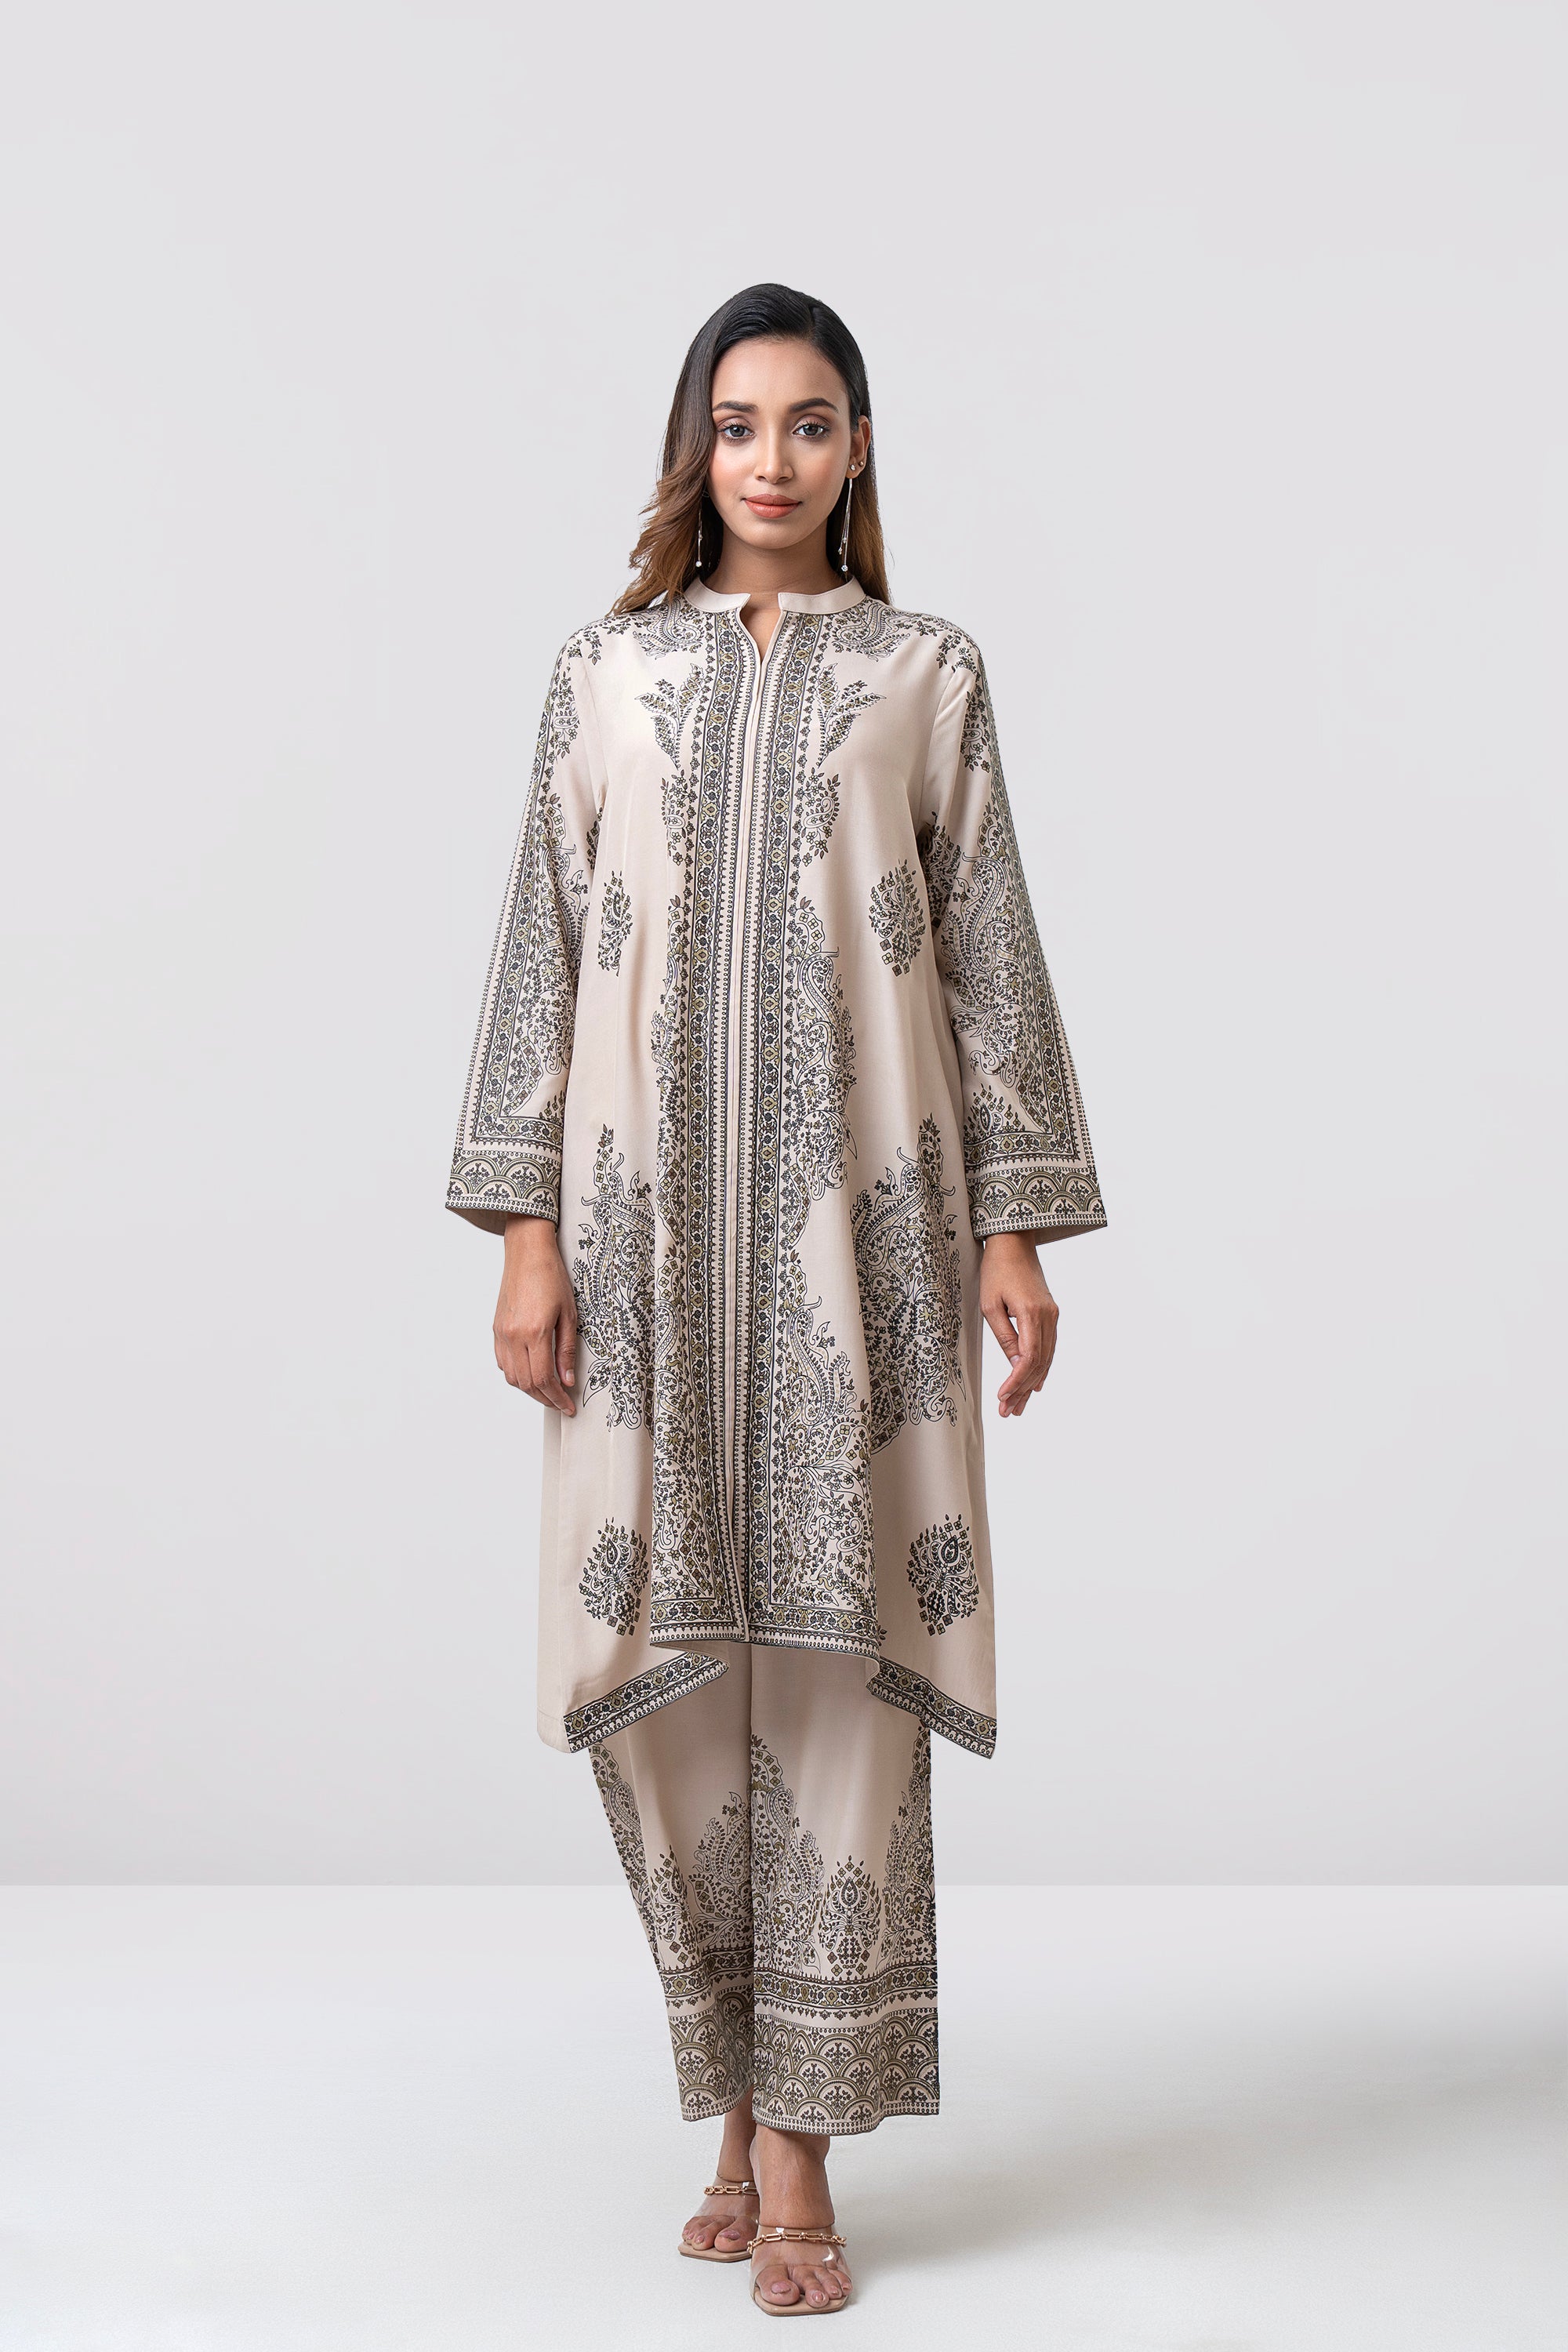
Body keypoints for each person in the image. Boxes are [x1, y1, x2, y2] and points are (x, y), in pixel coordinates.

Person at [446, 283, 1106, 2316]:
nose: (771, 457)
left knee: (836, 1665)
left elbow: (988, 947)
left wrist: (1010, 1230)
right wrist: (527, 1236)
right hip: (636, 1258)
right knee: (660, 1687)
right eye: (738, 423)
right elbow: (543, 950)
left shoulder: (925, 672)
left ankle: (801, 2148)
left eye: (811, 422)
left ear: (856, 449)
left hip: (863, 1253)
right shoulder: (603, 674)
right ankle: (729, 2090)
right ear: (694, 446)